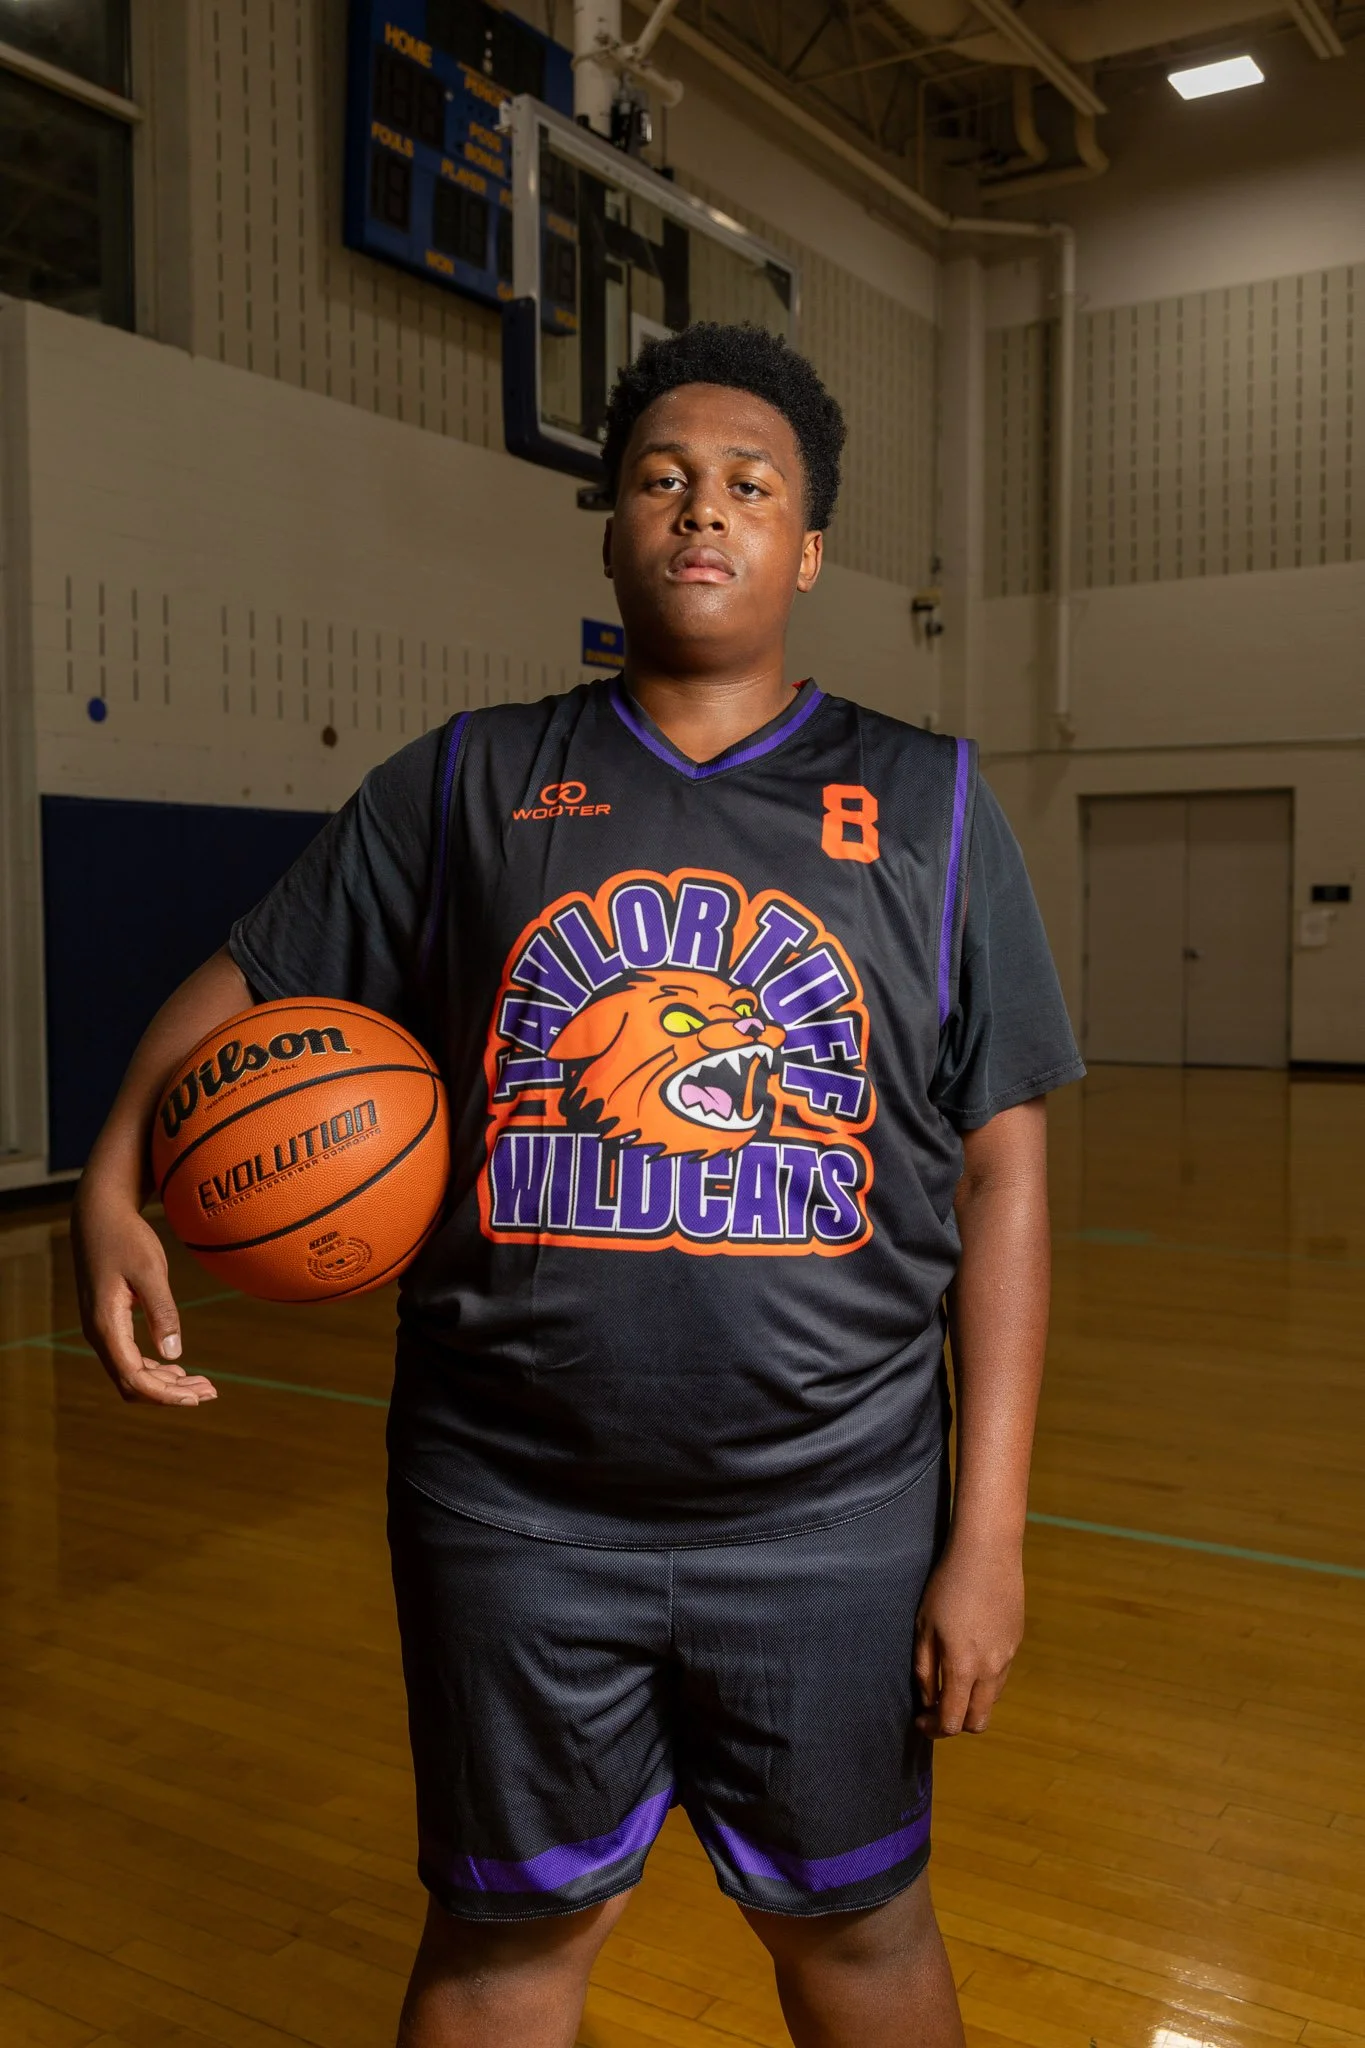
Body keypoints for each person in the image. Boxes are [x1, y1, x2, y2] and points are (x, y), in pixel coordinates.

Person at [73, 322, 1085, 2048]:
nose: (706, 510)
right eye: (663, 478)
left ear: (809, 549)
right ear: (614, 528)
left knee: (858, 1935)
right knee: (500, 1948)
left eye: (752, 487)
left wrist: (983, 1537)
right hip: (510, 1508)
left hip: (832, 1514)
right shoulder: (466, 780)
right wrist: (112, 1179)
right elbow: (249, 983)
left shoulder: (931, 800)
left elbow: (1004, 1180)